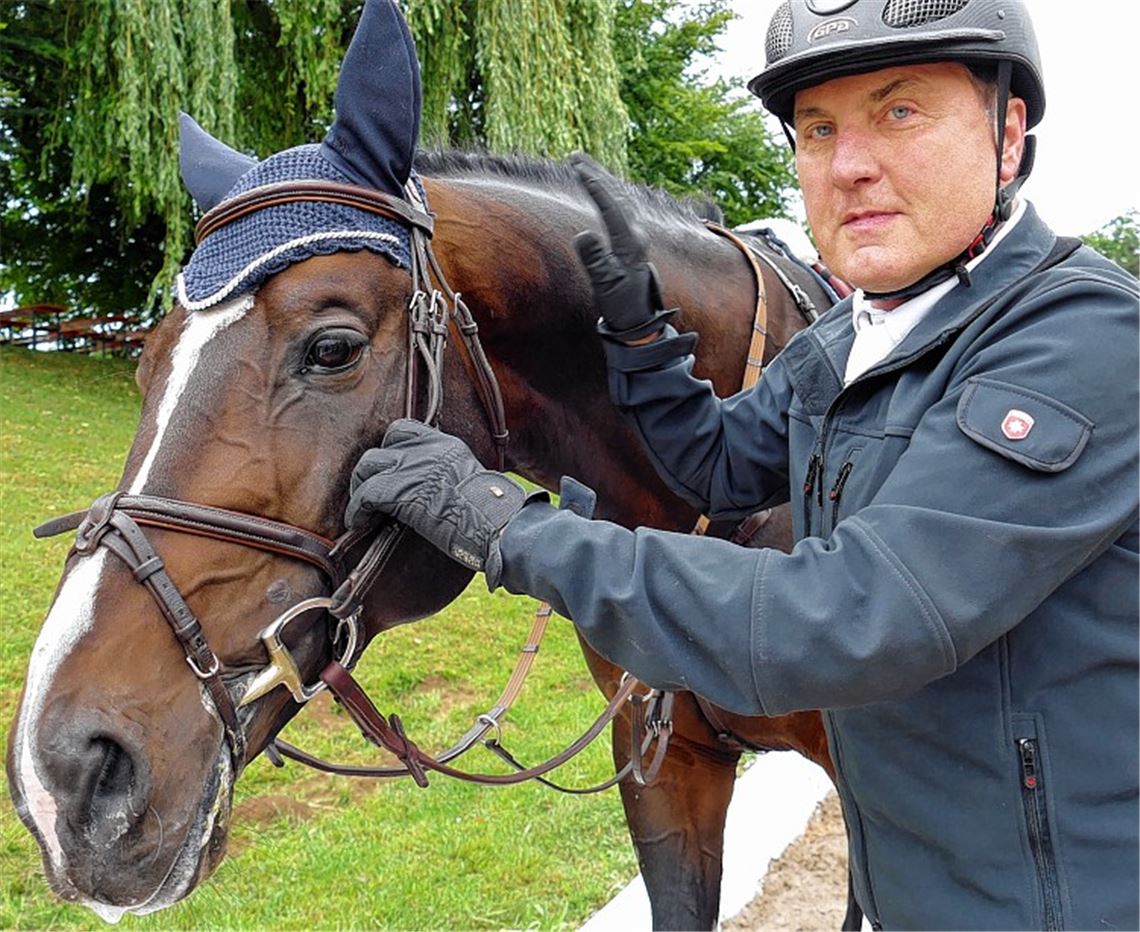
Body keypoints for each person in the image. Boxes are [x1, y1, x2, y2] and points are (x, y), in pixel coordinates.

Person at [343, 1, 1139, 926]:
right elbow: (717, 464)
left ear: (1007, 138)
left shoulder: (1083, 339)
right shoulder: (860, 330)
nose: (850, 165)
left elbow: (851, 619)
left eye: (900, 112)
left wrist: (511, 531)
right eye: (819, 128)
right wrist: (638, 333)